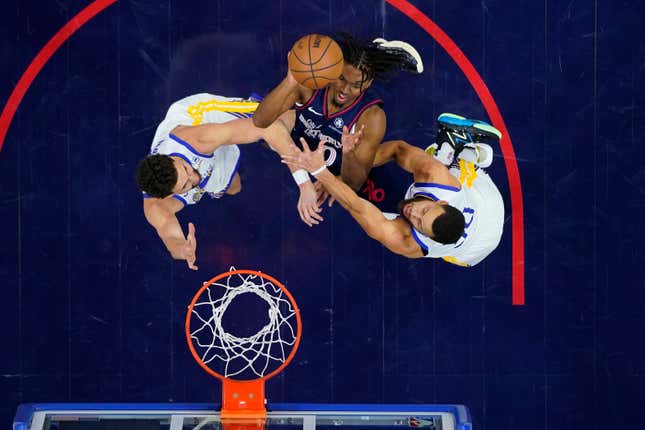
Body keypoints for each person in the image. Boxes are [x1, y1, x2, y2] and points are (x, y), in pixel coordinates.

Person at [281, 113, 505, 266]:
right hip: (487, 203)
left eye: (419, 223)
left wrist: (321, 171)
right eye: (424, 211)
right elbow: (398, 149)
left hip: (473, 251)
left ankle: (465, 151)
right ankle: (469, 152)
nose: (413, 213)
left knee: (378, 215)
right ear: (441, 202)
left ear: (426, 236)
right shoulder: (437, 178)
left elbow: (356, 206)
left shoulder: (405, 240)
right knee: (430, 154)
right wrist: (346, 170)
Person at [135, 93, 316, 270]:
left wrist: (305, 185)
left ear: (173, 158)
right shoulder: (156, 207)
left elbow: (270, 128)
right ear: (168, 195)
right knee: (234, 187)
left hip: (203, 117)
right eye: (185, 186)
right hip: (207, 158)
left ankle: (314, 119)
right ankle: (244, 142)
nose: (195, 178)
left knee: (278, 121)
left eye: (186, 170)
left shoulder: (198, 138)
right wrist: (184, 250)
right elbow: (171, 237)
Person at [253, 33, 423, 207]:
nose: (345, 90)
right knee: (272, 128)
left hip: (337, 164)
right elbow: (259, 122)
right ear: (334, 70)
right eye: (341, 79)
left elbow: (354, 183)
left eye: (356, 85)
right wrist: (291, 81)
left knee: (378, 155)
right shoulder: (311, 85)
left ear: (368, 83)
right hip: (301, 144)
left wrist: (343, 161)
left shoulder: (371, 116)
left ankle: (378, 52)